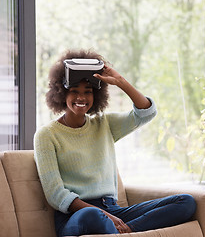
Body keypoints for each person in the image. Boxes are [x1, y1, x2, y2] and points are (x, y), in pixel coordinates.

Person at [34, 49, 196, 237]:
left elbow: (146, 113)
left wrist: (120, 82)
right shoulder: (46, 135)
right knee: (92, 214)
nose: (81, 98)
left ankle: (127, 231)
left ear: (96, 95)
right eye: (74, 91)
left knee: (186, 202)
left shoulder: (104, 124)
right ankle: (119, 228)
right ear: (61, 93)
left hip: (113, 210)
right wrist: (105, 215)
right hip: (76, 215)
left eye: (88, 92)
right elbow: (56, 195)